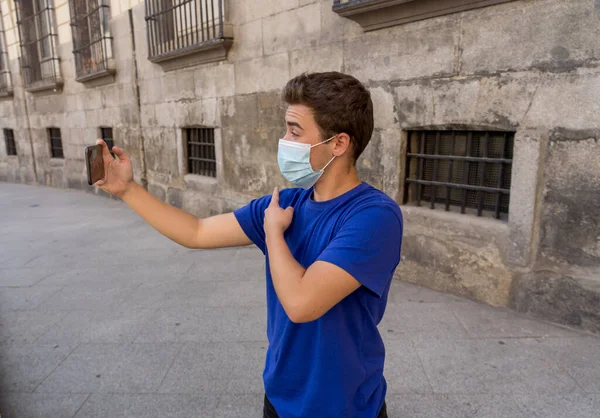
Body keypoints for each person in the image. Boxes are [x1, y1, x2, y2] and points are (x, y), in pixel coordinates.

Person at [95, 71, 403, 418]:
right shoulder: (286, 203)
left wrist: (274, 234)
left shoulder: (374, 217)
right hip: (280, 397)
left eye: (294, 130)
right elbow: (196, 232)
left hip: (343, 405)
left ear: (338, 143)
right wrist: (128, 190)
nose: (284, 139)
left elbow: (302, 304)